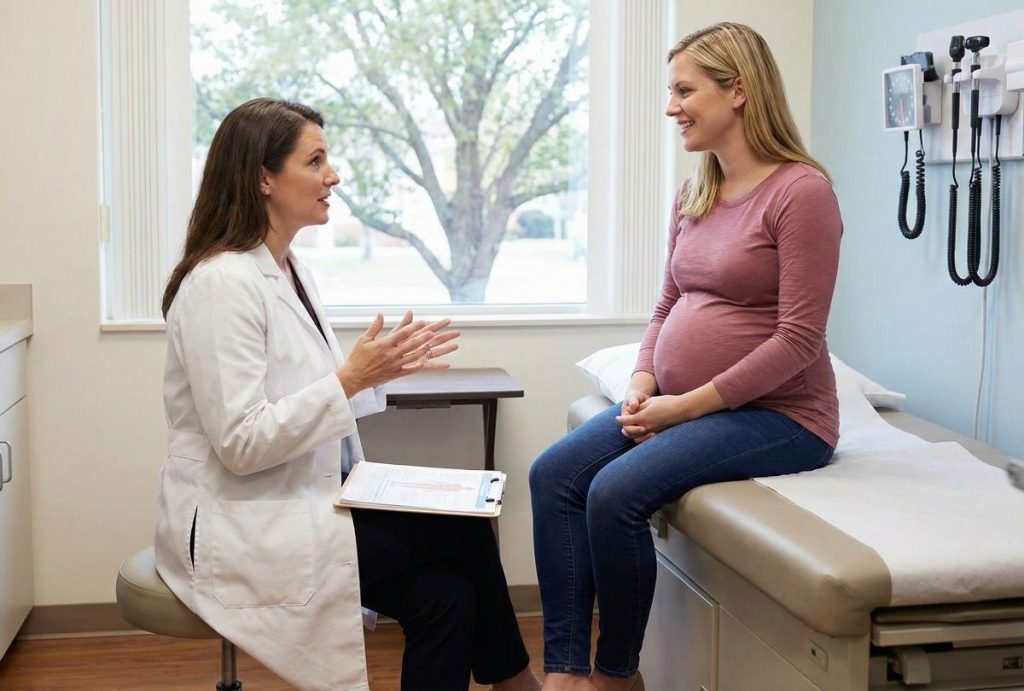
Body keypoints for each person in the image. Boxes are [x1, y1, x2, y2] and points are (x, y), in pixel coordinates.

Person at [154, 97, 540, 691]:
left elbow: (314, 397)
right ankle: (521, 686)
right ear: (263, 177)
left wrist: (375, 373)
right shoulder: (221, 285)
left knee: (448, 596)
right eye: (316, 161)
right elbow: (240, 443)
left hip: (304, 502)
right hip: (244, 524)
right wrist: (352, 378)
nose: (333, 176)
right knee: (462, 532)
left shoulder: (289, 269)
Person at [529, 23, 843, 691]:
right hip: (677, 401)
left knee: (613, 493)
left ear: (738, 90)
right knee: (554, 473)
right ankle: (563, 669)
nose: (671, 107)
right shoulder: (695, 191)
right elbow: (668, 301)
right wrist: (644, 380)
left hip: (781, 414)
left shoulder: (800, 192)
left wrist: (682, 409)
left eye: (683, 90)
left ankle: (617, 675)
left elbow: (799, 339)